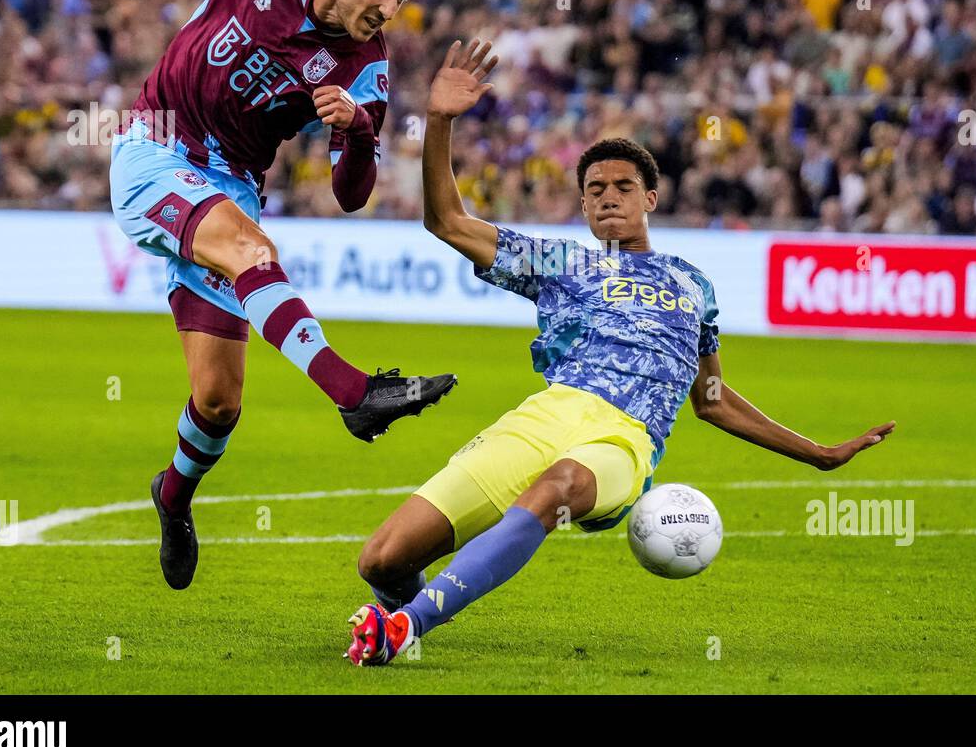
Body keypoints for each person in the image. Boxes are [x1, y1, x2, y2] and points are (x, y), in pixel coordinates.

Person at [344, 41, 897, 665]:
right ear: (581, 204)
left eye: (623, 187)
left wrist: (818, 454)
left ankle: (405, 628)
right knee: (383, 559)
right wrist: (439, 121)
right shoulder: (558, 261)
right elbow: (446, 220)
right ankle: (406, 612)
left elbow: (711, 401)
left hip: (623, 438)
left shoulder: (693, 284)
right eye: (596, 188)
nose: (609, 196)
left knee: (558, 488)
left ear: (649, 200)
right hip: (547, 415)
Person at [113, 0, 457, 590]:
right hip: (155, 147)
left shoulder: (366, 70)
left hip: (232, 185)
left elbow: (351, 194)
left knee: (218, 402)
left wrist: (359, 133)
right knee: (252, 250)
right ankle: (353, 393)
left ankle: (171, 498)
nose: (389, 10)